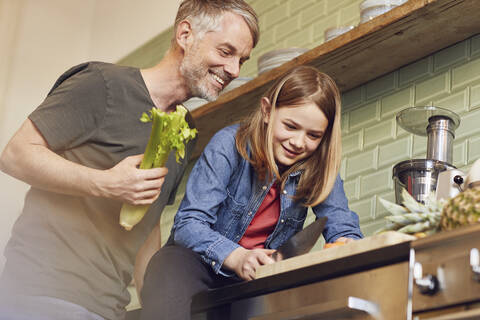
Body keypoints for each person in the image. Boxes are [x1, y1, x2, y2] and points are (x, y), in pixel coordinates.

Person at [0, 1, 258, 319]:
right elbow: (15, 154)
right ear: (185, 34)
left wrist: (157, 304)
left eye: (242, 60)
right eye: (226, 51)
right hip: (41, 295)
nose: (234, 70)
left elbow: (147, 228)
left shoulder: (184, 131)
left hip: (108, 308)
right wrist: (107, 183)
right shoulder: (102, 83)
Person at [139, 66, 363, 320]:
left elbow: (341, 227)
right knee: (168, 268)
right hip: (196, 265)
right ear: (267, 111)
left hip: (255, 282)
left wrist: (348, 245)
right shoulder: (228, 145)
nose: (299, 142)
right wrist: (237, 257)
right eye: (290, 126)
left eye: (313, 135)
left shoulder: (319, 167)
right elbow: (188, 224)